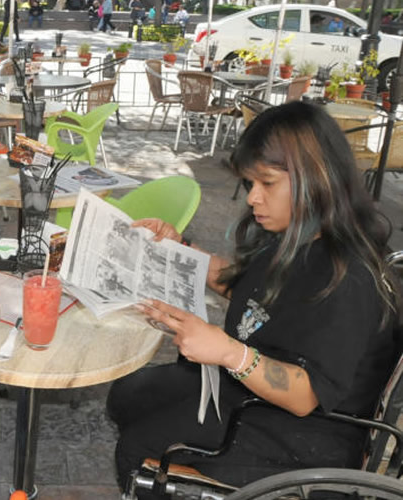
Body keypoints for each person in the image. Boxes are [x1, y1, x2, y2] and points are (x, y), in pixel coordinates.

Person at [108, 102, 401, 495]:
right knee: (128, 395)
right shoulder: (300, 233)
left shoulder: (348, 278)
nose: (252, 198)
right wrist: (177, 248)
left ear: (316, 179)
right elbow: (245, 284)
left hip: (302, 436)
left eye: (267, 183)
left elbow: (305, 395)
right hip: (251, 389)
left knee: (137, 448)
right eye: (250, 184)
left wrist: (229, 351)